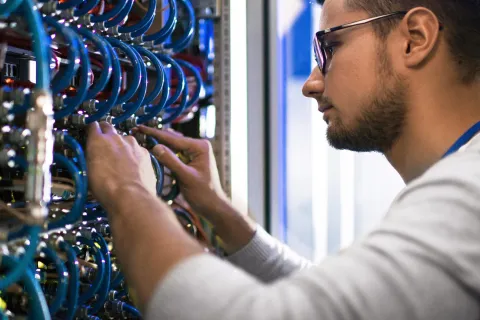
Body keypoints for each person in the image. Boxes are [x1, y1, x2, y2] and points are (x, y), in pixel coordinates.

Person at [86, 0, 480, 319]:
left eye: (329, 47)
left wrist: (128, 193)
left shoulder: (467, 197)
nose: (311, 84)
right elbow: (343, 305)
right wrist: (223, 213)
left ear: (415, 38)